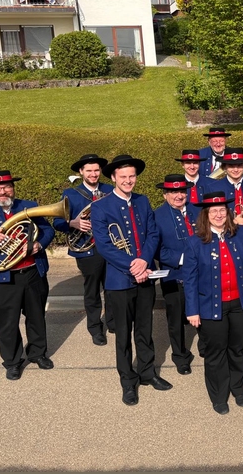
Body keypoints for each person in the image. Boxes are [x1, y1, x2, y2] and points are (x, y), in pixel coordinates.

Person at [91, 155, 172, 405]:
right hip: (119, 281)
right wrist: (132, 265)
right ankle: (128, 381)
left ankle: (147, 373)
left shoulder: (142, 201)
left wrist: (144, 261)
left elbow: (153, 233)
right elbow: (104, 246)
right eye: (123, 176)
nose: (128, 180)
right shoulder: (100, 207)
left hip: (145, 275)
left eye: (132, 176)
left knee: (145, 330)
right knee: (123, 335)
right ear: (113, 178)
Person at [0, 170, 56, 380]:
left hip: (33, 273)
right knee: (7, 322)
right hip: (1, 279)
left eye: (6, 187)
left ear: (13, 188)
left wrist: (39, 244)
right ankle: (13, 362)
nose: (2, 192)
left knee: (36, 317)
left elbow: (48, 230)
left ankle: (38, 354)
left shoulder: (29, 206)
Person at [183, 191, 243, 414]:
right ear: (206, 215)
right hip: (210, 306)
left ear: (227, 213)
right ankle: (219, 394)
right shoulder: (194, 242)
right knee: (216, 351)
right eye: (213, 211)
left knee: (237, 348)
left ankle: (238, 388)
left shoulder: (240, 235)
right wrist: (192, 310)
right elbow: (189, 279)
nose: (218, 214)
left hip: (240, 303)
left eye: (221, 210)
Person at [54, 154, 114, 346]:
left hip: (111, 247)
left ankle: (113, 322)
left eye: (96, 170)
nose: (93, 174)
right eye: (89, 170)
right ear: (81, 172)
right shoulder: (70, 194)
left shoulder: (111, 190)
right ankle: (95, 328)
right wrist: (73, 222)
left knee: (113, 288)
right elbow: (57, 222)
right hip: (86, 248)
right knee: (92, 290)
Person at [153, 174, 198, 375]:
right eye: (173, 192)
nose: (178, 195)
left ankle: (206, 345)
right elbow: (155, 249)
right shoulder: (156, 216)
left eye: (181, 191)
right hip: (173, 274)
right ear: (165, 195)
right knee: (175, 318)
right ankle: (180, 356)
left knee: (203, 312)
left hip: (200, 274)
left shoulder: (198, 210)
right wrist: (182, 259)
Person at [210, 147, 243, 233]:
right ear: (225, 167)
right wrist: (233, 222)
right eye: (231, 166)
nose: (236, 169)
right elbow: (212, 217)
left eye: (239, 165)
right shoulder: (214, 187)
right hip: (229, 234)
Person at [175, 149, 212, 218]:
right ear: (182, 165)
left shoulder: (211, 183)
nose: (192, 167)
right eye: (188, 163)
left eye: (195, 163)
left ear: (199, 164)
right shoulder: (177, 185)